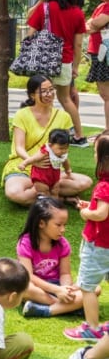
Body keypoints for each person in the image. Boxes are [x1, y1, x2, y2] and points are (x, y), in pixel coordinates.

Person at [1, 75, 92, 206]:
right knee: (14, 193)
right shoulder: (22, 115)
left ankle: (42, 195)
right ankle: (58, 198)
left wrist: (64, 168)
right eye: (44, 91)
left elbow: (64, 147)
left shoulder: (63, 116)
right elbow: (19, 147)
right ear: (32, 95)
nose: (49, 94)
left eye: (51, 89)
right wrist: (33, 161)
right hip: (24, 166)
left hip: (52, 171)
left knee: (84, 182)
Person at [27, 0, 88, 147]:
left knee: (42, 97)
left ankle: (41, 133)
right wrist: (75, 66)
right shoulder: (77, 13)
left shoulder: (44, 9)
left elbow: (30, 35)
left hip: (44, 60)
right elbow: (78, 45)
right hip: (65, 60)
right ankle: (79, 136)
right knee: (65, 99)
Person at [64, 131, 109, 341]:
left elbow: (101, 214)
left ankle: (92, 328)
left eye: (94, 152)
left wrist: (86, 213)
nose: (93, 156)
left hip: (98, 245)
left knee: (87, 287)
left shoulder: (104, 186)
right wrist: (90, 205)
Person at [17, 198, 88, 318]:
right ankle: (70, 307)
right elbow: (28, 275)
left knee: (95, 289)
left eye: (64, 225)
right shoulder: (25, 243)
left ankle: (44, 310)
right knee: (24, 288)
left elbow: (65, 273)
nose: (63, 230)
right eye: (58, 225)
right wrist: (56, 291)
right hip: (37, 287)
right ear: (41, 223)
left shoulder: (63, 244)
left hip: (57, 285)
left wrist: (65, 288)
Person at [16, 129, 71, 197]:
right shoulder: (45, 152)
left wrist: (67, 169)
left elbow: (65, 161)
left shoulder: (62, 154)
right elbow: (34, 158)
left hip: (54, 176)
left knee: (55, 191)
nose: (64, 151)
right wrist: (24, 163)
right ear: (50, 145)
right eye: (61, 148)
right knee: (44, 192)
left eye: (66, 148)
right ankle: (45, 204)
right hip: (41, 176)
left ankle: (55, 205)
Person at [85, 0, 109, 130]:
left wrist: (93, 25)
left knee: (107, 95)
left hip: (105, 55)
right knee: (104, 95)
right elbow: (88, 26)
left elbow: (93, 25)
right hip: (98, 54)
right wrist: (93, 25)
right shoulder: (101, 6)